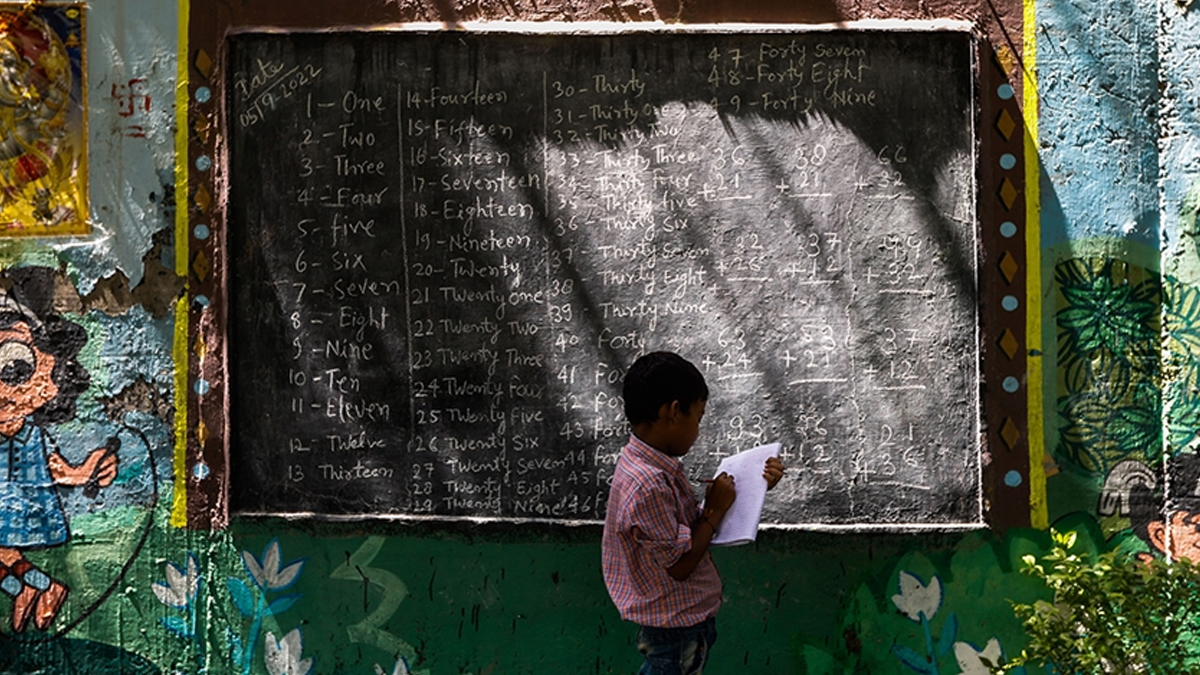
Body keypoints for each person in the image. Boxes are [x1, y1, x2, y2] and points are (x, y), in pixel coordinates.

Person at [601, 351, 784, 675]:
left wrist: (751, 489)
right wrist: (713, 511)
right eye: (698, 418)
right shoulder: (649, 483)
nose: (698, 430)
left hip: (680, 625)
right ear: (673, 411)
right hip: (676, 629)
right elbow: (681, 564)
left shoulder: (649, 465)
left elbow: (687, 529)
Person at [0, 270, 117, 633]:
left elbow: (57, 468)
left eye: (13, 366)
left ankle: (36, 585)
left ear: (51, 374)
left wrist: (87, 471)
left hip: (20, 511)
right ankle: (36, 586)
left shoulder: (31, 436)